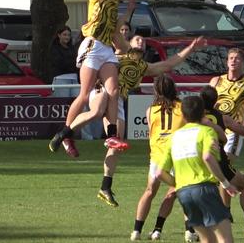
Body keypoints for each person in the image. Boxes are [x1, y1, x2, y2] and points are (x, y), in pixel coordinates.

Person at [60, 28, 205, 208]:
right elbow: (112, 31)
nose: (141, 42)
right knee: (97, 111)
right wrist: (125, 8)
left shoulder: (143, 66)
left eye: (143, 41)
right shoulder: (119, 53)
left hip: (118, 99)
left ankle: (105, 186)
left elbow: (169, 64)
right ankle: (64, 135)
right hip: (103, 89)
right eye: (138, 40)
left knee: (116, 143)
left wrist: (191, 47)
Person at [49, 0, 145, 155]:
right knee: (84, 95)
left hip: (105, 47)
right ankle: (64, 133)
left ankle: (111, 135)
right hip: (91, 45)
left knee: (113, 91)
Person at [155, 96, 238, 243]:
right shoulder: (206, 132)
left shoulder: (174, 137)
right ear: (203, 114)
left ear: (183, 115)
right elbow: (208, 158)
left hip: (184, 194)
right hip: (205, 189)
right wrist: (226, 184)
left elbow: (160, 172)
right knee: (225, 238)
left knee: (207, 240)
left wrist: (177, 184)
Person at [200, 85, 244, 239]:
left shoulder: (192, 117)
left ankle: (190, 230)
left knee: (195, 192)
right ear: (216, 101)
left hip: (196, 159)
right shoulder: (223, 117)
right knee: (242, 185)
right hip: (218, 159)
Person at [130, 74, 184, 241]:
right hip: (177, 155)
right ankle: (159, 229)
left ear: (156, 91)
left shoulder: (150, 110)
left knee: (149, 191)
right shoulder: (182, 108)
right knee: (176, 191)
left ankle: (136, 231)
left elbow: (152, 131)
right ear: (173, 88)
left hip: (157, 156)